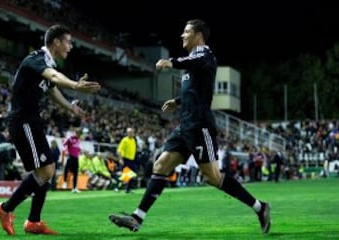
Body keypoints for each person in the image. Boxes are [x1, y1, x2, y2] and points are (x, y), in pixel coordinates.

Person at [109, 19, 271, 234]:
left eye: (186, 32)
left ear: (198, 35)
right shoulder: (194, 61)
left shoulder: (205, 55)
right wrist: (177, 101)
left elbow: (192, 64)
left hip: (200, 126)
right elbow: (194, 89)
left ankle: (260, 207)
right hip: (185, 126)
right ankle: (137, 218)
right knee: (161, 165)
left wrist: (170, 62)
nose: (182, 35)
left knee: (212, 177)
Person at [0, 24, 101, 236]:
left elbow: (52, 89)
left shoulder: (47, 63)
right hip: (22, 121)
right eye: (68, 42)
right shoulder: (37, 59)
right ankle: (5, 209)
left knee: (47, 170)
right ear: (57, 42)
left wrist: (70, 107)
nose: (70, 46)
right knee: (45, 171)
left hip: (32, 121)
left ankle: (33, 221)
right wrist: (75, 85)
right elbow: (53, 78)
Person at [116, 127, 138, 193]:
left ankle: (128, 189)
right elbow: (119, 150)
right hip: (126, 159)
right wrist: (120, 159)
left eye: (132, 132)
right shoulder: (124, 140)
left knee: (131, 175)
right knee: (124, 175)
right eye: (129, 132)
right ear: (127, 133)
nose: (131, 134)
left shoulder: (133, 140)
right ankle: (117, 187)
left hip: (132, 160)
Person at [62, 127, 81, 193]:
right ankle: (64, 182)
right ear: (75, 133)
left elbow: (77, 148)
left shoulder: (78, 140)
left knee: (76, 173)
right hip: (70, 157)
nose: (78, 134)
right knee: (67, 169)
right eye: (77, 133)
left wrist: (80, 151)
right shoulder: (70, 138)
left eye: (79, 133)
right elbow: (64, 143)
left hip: (76, 158)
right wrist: (65, 151)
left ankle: (74, 188)